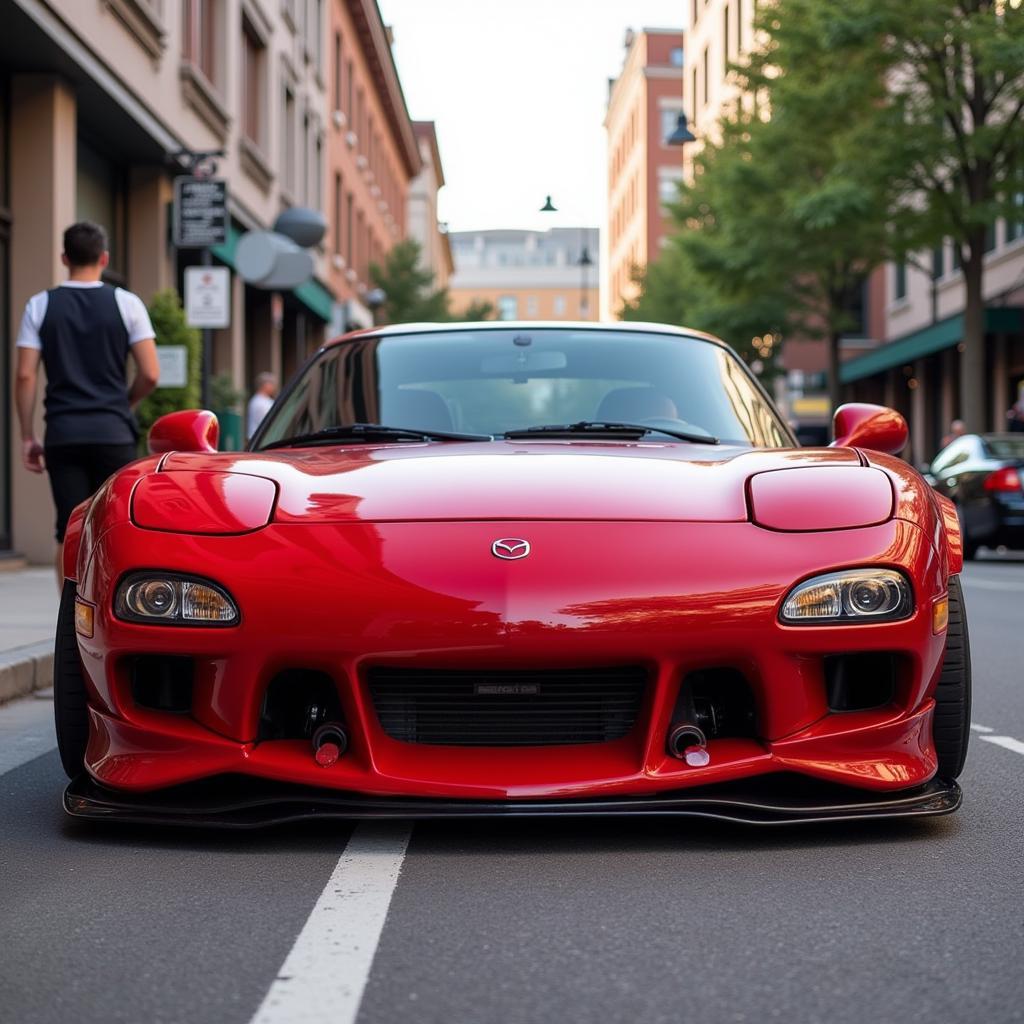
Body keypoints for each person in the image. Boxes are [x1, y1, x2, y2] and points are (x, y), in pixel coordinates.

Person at [15, 221, 159, 582]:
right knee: (115, 528)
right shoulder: (127, 303)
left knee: (69, 530)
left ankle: (69, 622)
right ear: (104, 257)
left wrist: (27, 434)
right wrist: (125, 404)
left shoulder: (40, 304)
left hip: (64, 433)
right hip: (113, 433)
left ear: (64, 257)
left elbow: (25, 375)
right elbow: (151, 374)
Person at [247, 371, 279, 440]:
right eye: (271, 384)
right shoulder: (259, 401)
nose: (274, 387)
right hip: (260, 439)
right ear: (265, 385)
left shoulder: (264, 400)